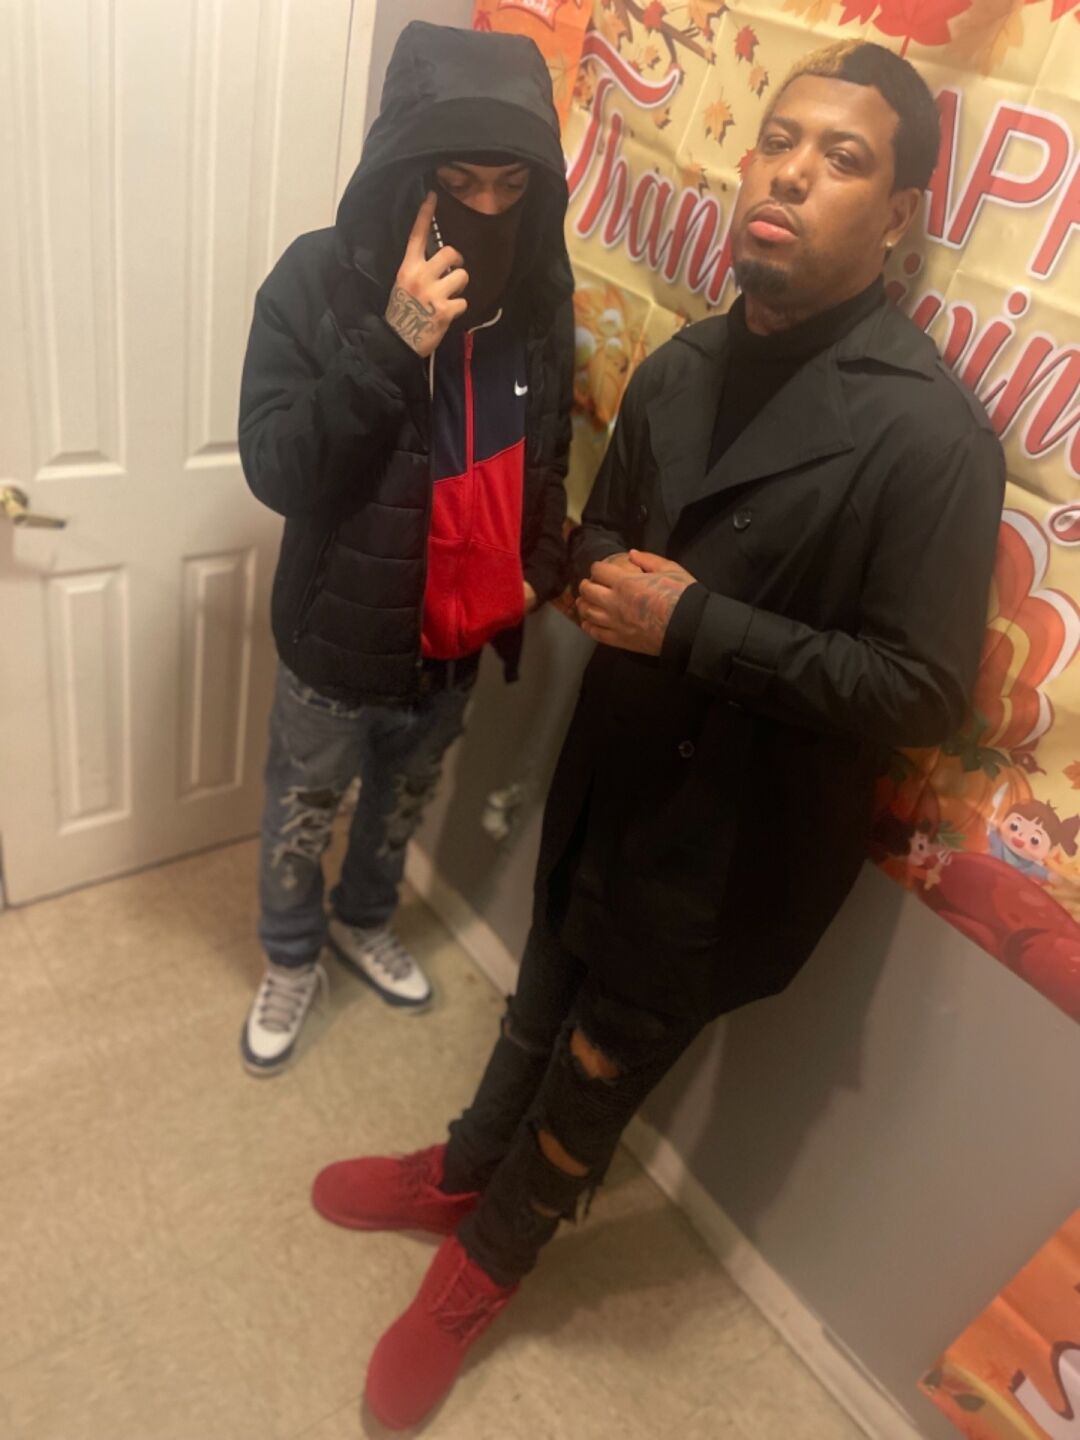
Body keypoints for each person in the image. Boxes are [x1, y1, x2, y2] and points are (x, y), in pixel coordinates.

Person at [312, 40, 1006, 1428]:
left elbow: (921, 693)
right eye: (779, 141)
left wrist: (694, 626)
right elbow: (610, 533)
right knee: (540, 993)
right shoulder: (684, 365)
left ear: (898, 217)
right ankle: (464, 1167)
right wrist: (584, 568)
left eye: (841, 159)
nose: (790, 175)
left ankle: (490, 1262)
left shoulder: (933, 439)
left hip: (733, 847)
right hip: (609, 774)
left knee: (601, 1061)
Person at [236, 21, 574, 1075]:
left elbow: (549, 449)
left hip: (454, 643)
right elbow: (278, 468)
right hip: (336, 643)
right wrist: (392, 338)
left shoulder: (537, 298)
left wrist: (539, 568)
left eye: (508, 185)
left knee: (399, 811)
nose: (485, 208)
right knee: (302, 816)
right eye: (456, 183)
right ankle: (291, 956)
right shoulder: (316, 279)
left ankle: (364, 920)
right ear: (405, 171)